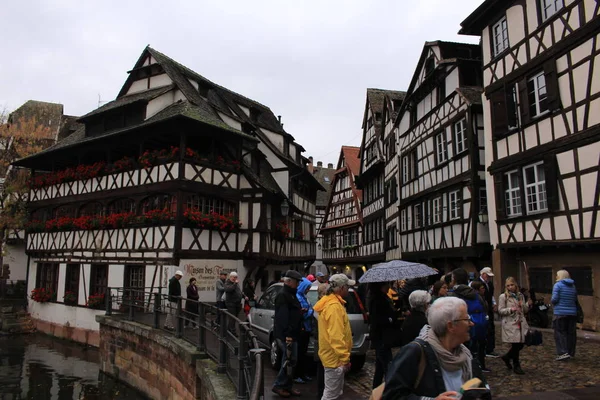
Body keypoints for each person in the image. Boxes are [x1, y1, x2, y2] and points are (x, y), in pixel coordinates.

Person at [382, 297, 488, 400]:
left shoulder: (466, 354)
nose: (472, 323)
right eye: (467, 319)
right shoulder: (415, 352)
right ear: (451, 326)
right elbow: (391, 395)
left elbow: (482, 390)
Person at [313, 274, 354, 400]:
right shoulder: (334, 306)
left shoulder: (330, 303)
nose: (348, 289)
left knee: (333, 393)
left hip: (332, 356)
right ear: (341, 288)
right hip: (334, 358)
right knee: (330, 395)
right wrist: (345, 358)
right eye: (347, 287)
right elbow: (336, 336)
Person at [272, 270, 304, 398]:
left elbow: (291, 313)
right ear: (289, 282)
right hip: (287, 335)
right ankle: (279, 385)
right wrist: (288, 334)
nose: (298, 285)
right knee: (288, 360)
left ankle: (287, 385)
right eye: (296, 282)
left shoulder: (290, 294)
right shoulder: (283, 295)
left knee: (292, 360)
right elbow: (283, 317)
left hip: (292, 333)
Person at [450, 268, 488, 362]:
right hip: (476, 324)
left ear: (455, 279)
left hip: (460, 325)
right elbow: (484, 306)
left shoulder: (454, 294)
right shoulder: (474, 292)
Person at [498, 277, 530, 375]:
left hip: (520, 322)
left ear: (515, 285)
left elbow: (525, 310)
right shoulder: (503, 296)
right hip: (511, 322)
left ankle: (507, 357)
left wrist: (525, 305)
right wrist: (511, 309)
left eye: (512, 285)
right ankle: (516, 365)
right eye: (508, 285)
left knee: (520, 344)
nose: (510, 287)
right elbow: (500, 310)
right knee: (516, 344)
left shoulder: (520, 295)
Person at [368, 281, 396, 388]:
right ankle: (391, 389)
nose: (389, 286)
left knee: (380, 366)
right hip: (381, 336)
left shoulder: (381, 297)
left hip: (382, 337)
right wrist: (390, 319)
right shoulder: (377, 300)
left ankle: (376, 388)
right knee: (387, 365)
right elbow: (378, 319)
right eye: (387, 285)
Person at [551, 269, 578, 361]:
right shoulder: (573, 286)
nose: (556, 277)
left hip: (560, 313)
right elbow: (575, 299)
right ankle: (570, 352)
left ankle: (563, 353)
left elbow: (554, 299)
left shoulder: (557, 285)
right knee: (571, 334)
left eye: (557, 275)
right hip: (572, 313)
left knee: (560, 333)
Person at [294, 277, 314, 384]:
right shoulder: (298, 297)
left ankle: (303, 373)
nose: (308, 290)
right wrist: (310, 312)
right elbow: (301, 313)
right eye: (307, 288)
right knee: (300, 353)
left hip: (307, 328)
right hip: (302, 328)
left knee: (304, 353)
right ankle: (297, 374)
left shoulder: (304, 297)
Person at [475, 267, 498, 358]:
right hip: (481, 309)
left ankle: (490, 348)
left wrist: (494, 303)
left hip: (489, 309)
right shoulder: (476, 283)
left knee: (491, 328)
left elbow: (491, 295)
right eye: (487, 276)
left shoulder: (489, 284)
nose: (489, 277)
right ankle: (484, 348)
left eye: (489, 276)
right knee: (485, 329)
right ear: (483, 274)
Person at [468, 281, 489, 372]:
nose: (484, 290)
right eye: (482, 288)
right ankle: (479, 365)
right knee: (478, 345)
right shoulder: (476, 297)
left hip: (479, 323)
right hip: (478, 323)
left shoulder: (479, 297)